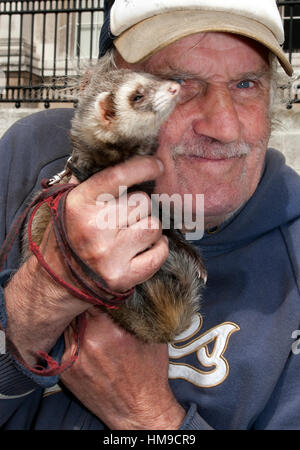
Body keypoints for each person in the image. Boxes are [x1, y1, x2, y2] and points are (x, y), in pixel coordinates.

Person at [0, 0, 299, 430]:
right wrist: (34, 307)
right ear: (102, 97)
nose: (224, 127)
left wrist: (145, 414)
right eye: (179, 79)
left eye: (246, 84)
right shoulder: (34, 159)